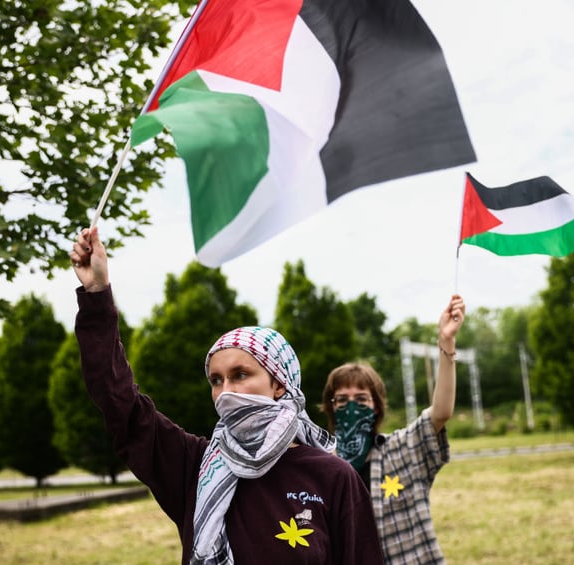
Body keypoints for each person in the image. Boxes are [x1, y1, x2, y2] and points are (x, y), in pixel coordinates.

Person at [69, 226, 384, 565]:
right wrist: (97, 294)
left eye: (241, 375)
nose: (226, 392)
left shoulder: (332, 476)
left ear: (280, 385)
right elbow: (118, 402)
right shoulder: (193, 466)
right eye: (216, 380)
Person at [320, 295, 466, 564]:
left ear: (376, 407)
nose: (351, 408)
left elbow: (441, 412)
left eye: (361, 399)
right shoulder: (322, 471)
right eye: (342, 400)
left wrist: (446, 343)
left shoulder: (402, 450)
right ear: (331, 408)